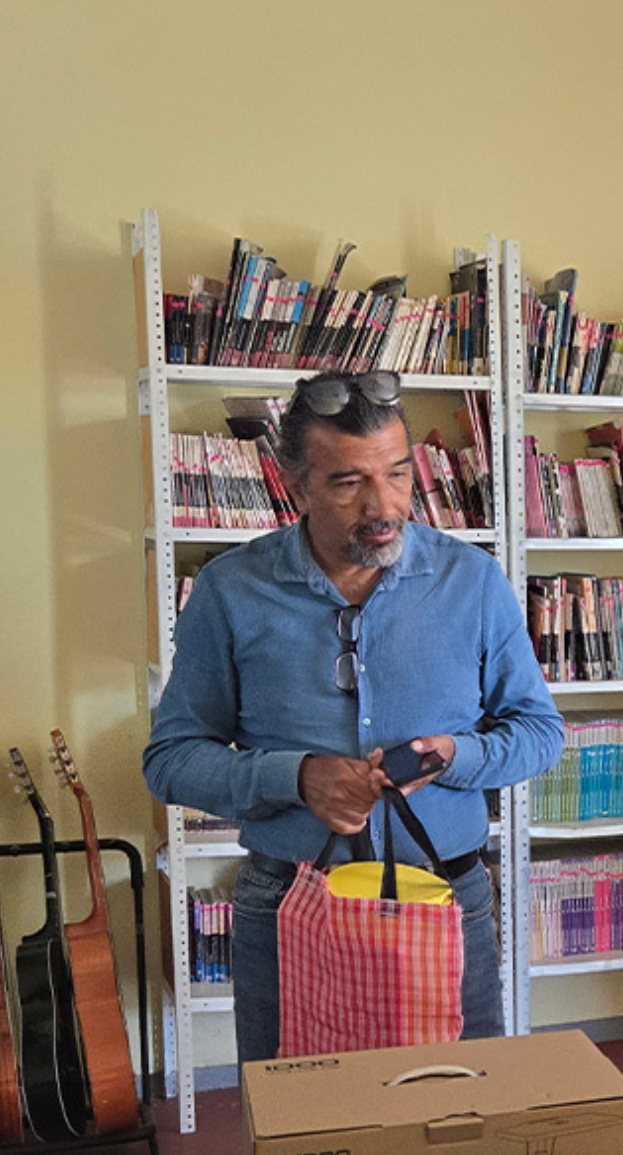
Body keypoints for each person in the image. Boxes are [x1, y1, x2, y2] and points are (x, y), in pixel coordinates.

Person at [143, 368, 563, 1062]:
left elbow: (538, 732)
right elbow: (170, 759)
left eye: (398, 474)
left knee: (461, 1113)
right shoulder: (231, 589)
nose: (384, 505)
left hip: (447, 893)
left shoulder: (473, 580)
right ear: (296, 486)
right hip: (289, 900)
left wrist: (457, 756)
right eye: (347, 483)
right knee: (303, 1131)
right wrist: (297, 777)